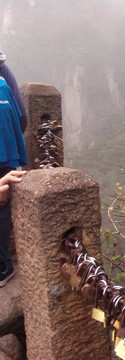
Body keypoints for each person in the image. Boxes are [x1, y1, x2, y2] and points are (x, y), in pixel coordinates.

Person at [0, 51, 28, 288]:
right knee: (2, 206)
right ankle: (3, 266)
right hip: (6, 153)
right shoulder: (3, 74)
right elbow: (22, 118)